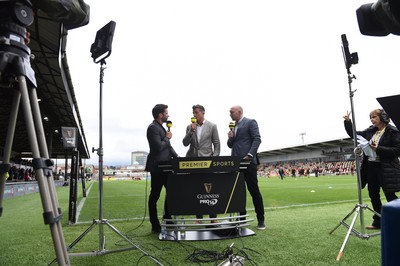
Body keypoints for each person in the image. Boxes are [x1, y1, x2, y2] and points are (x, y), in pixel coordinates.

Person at [343, 109, 400, 230]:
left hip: (386, 167)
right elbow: (354, 134)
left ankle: (396, 219)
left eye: (374, 117)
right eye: (371, 118)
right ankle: (378, 221)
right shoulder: (371, 130)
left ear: (383, 117)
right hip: (371, 167)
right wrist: (348, 122)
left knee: (390, 195)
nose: (372, 120)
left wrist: (378, 149)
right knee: (373, 195)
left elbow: (397, 150)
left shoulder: (393, 131)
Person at [227, 105, 266, 230]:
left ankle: (261, 220)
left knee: (253, 190)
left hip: (248, 162)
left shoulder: (250, 122)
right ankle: (241, 219)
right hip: (236, 163)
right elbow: (230, 145)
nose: (230, 114)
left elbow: (257, 139)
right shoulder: (234, 126)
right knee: (238, 192)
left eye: (231, 112)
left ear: (239, 112)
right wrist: (230, 138)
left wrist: (250, 154)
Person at [182, 104, 220, 223]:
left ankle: (213, 218)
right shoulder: (189, 127)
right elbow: (185, 143)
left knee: (210, 190)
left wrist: (214, 159)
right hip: (193, 162)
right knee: (196, 190)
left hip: (208, 162)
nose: (194, 114)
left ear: (203, 113)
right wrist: (190, 132)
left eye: (196, 112)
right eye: (193, 112)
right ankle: (199, 218)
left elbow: (217, 144)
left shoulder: (212, 126)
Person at [145, 104, 178, 234]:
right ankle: (155, 225)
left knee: (172, 193)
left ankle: (168, 220)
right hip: (158, 167)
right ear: (160, 115)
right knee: (155, 196)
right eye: (166, 113)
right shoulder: (152, 128)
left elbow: (168, 147)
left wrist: (177, 157)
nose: (168, 115)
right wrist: (167, 137)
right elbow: (158, 147)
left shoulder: (161, 128)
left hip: (167, 166)